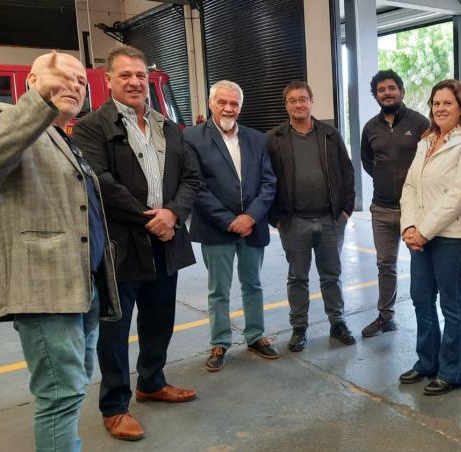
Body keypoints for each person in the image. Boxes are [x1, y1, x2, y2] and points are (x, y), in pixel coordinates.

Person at [72, 44, 201, 441]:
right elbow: (100, 183)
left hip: (167, 241)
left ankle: (151, 381)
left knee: (160, 318)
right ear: (108, 80)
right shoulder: (92, 126)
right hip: (120, 246)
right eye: (125, 75)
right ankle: (114, 406)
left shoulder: (167, 125)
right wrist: (152, 218)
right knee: (115, 329)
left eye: (140, 75)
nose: (134, 82)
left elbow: (191, 179)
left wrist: (174, 214)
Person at [0, 51, 122, 452]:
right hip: (46, 291)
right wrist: (40, 103)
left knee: (74, 382)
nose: (73, 86)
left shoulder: (64, 137)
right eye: (62, 77)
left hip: (81, 286)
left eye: (81, 82)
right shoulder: (10, 121)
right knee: (60, 392)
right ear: (32, 81)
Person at [184, 80, 279, 372]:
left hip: (252, 226)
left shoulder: (257, 139)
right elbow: (196, 186)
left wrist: (250, 217)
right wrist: (229, 221)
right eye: (222, 102)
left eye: (234, 103)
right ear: (211, 104)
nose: (228, 108)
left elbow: (268, 182)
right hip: (216, 229)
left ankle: (255, 335)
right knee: (218, 290)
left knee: (253, 284)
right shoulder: (193, 138)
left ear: (240, 106)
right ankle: (220, 342)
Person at [398, 79, 461, 396]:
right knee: (421, 298)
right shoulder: (425, 142)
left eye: (447, 103)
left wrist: (424, 230)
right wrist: (409, 226)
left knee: (451, 303)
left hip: (456, 237)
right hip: (421, 236)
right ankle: (426, 362)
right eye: (436, 103)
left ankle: (452, 371)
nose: (440, 108)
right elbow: (409, 187)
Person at [266, 80, 356, 351]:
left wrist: (345, 211)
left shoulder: (330, 135)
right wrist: (276, 218)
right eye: (292, 100)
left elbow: (347, 173)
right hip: (294, 222)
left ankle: (337, 322)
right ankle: (299, 328)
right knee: (297, 277)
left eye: (303, 99)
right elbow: (266, 179)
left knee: (332, 274)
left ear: (311, 101)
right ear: (286, 105)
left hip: (329, 220)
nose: (298, 104)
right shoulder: (274, 139)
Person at [359, 69, 429, 337]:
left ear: (401, 91)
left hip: (416, 210)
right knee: (385, 264)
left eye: (391, 88)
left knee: (420, 265)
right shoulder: (371, 128)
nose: (386, 93)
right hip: (382, 208)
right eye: (381, 90)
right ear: (376, 96)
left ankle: (425, 317)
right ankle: (385, 316)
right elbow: (368, 163)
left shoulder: (420, 123)